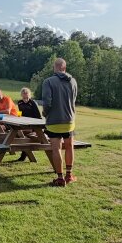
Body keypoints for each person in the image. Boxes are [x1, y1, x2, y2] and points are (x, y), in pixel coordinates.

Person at [42, 58, 77, 186]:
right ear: (64, 68)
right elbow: (73, 100)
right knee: (69, 146)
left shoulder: (48, 82)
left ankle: (60, 178)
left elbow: (47, 102)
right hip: (70, 120)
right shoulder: (73, 81)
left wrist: (45, 113)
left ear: (54, 68)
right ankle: (69, 175)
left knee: (56, 149)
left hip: (54, 121)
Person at [15, 87, 42, 162]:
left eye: (26, 93)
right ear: (21, 94)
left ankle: (24, 155)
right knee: (18, 134)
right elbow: (20, 112)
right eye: (23, 93)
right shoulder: (19, 102)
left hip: (32, 125)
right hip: (23, 124)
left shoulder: (33, 102)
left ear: (29, 94)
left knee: (21, 135)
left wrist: (37, 128)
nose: (25, 95)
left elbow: (38, 116)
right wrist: (18, 117)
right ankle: (25, 154)